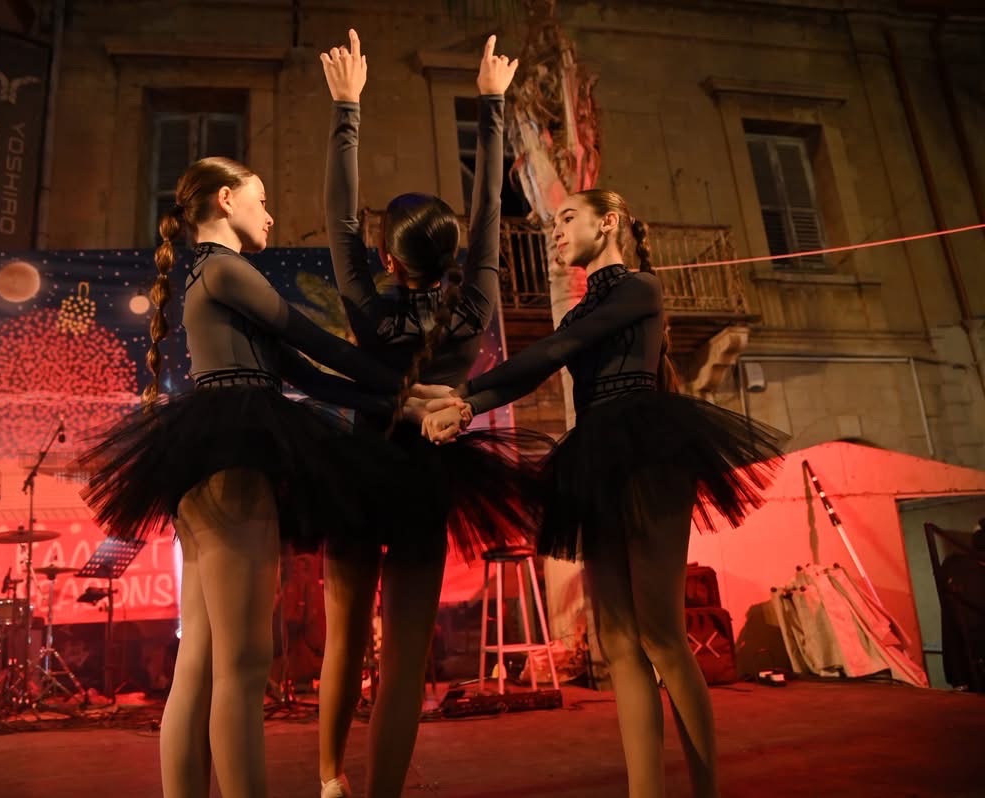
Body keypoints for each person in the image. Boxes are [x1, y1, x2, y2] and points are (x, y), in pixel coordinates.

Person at [77, 156, 443, 798]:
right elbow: (316, 342)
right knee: (244, 664)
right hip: (233, 456)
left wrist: (405, 401)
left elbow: (308, 375)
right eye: (263, 199)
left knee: (202, 660)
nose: (271, 215)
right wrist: (410, 384)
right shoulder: (226, 269)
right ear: (226, 199)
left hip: (209, 456)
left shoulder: (209, 274)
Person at [424, 190, 786, 798]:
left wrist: (467, 398)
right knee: (617, 640)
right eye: (554, 223)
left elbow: (554, 351)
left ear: (609, 222)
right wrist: (468, 404)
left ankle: (705, 790)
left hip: (648, 450)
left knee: (662, 635)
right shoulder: (579, 312)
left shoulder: (640, 288)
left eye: (568, 218)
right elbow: (542, 364)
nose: (556, 231)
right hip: (594, 454)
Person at [317, 31, 548, 798]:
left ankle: (329, 779)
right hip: (423, 478)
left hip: (360, 470)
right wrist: (491, 103)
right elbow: (489, 215)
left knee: (345, 641)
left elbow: (339, 221)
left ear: (388, 259)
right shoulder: (474, 302)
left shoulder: (369, 306)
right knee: (406, 657)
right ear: (455, 258)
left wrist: (347, 108)